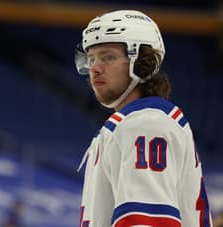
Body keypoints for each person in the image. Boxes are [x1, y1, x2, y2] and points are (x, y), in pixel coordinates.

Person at [75, 10, 213, 227]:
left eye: (107, 57)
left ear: (143, 62)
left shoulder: (145, 124)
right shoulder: (137, 122)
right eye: (91, 58)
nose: (95, 68)